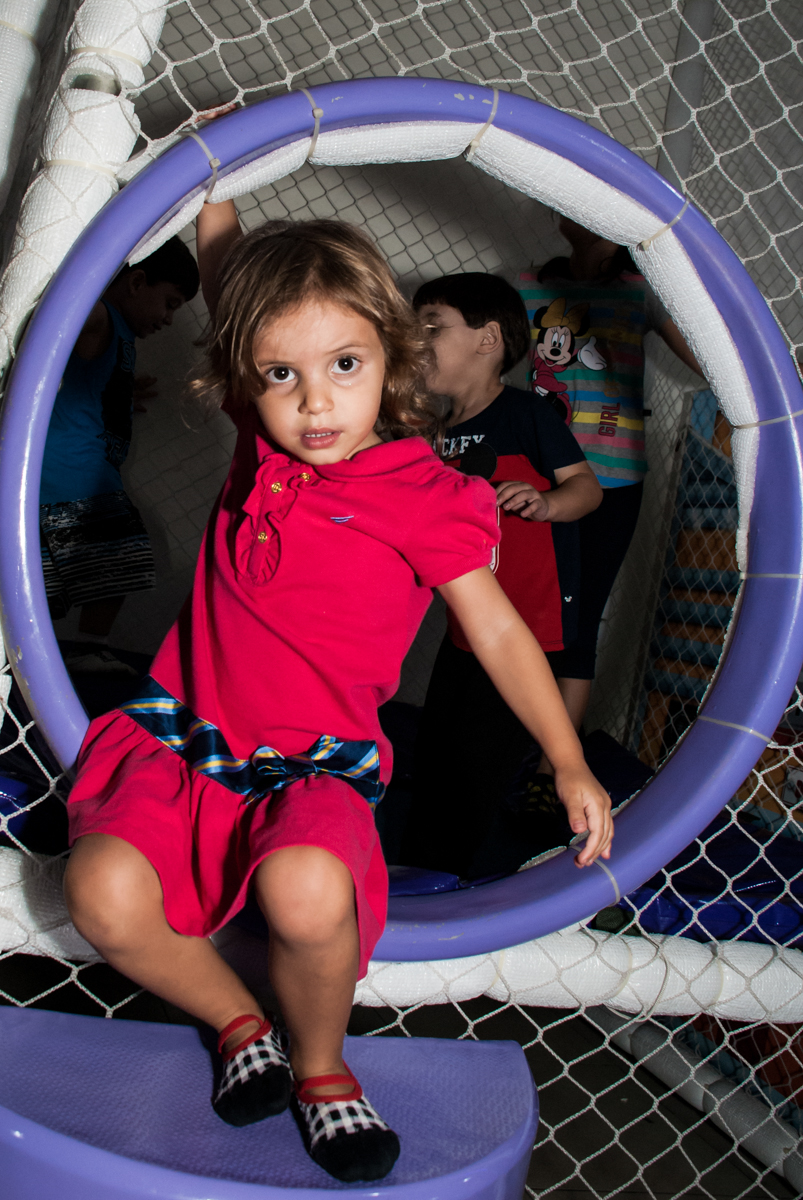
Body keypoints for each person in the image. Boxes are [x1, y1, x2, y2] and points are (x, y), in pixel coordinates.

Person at [62, 204, 613, 1183]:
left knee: (306, 888)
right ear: (248, 378)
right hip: (185, 741)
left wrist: (566, 758)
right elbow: (232, 283)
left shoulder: (426, 494)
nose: (314, 401)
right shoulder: (262, 444)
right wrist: (214, 191)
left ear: (391, 358)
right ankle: (238, 1021)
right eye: (282, 374)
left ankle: (320, 1068)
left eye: (344, 365)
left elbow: (496, 629)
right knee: (100, 893)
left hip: (312, 768)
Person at [402, 272, 602, 878]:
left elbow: (587, 489)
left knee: (475, 769)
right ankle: (416, 873)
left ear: (488, 340)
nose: (417, 338)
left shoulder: (525, 414)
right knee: (433, 753)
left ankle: (450, 883)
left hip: (526, 628)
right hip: (466, 627)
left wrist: (546, 502)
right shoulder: (436, 432)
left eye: (432, 326)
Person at [520, 216, 704, 783]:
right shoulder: (529, 285)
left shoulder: (641, 289)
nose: (574, 212)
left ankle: (555, 769)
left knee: (581, 611)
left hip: (614, 478)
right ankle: (516, 745)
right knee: (523, 609)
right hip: (537, 475)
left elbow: (709, 358)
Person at [39, 237, 200, 675]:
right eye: (169, 303)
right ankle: (88, 647)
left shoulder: (120, 335)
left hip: (86, 468)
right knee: (121, 549)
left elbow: (88, 379)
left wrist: (120, 392)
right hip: (73, 467)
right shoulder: (103, 319)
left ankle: (77, 646)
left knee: (70, 568)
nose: (169, 318)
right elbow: (77, 310)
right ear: (136, 283)